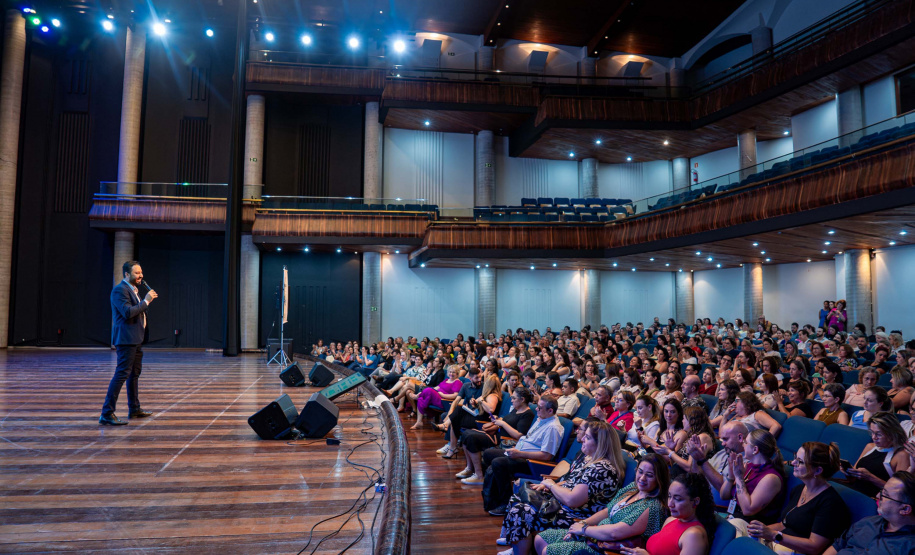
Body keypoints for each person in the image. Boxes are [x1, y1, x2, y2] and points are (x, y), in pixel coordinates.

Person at [498, 420, 625, 555]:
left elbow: (572, 500)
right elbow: (570, 481)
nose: (582, 439)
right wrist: (548, 485)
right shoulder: (589, 459)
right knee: (519, 498)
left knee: (521, 511)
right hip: (562, 506)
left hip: (577, 517)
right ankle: (516, 544)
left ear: (600, 444)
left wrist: (552, 486)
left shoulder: (601, 468)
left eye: (587, 438)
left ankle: (519, 551)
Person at [533, 454, 669, 555]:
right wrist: (583, 524)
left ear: (659, 479)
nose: (642, 478)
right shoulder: (633, 488)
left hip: (607, 549)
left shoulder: (653, 506)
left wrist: (584, 530)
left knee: (548, 550)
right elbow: (607, 511)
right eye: (640, 471)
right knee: (541, 538)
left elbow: (616, 533)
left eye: (650, 475)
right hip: (595, 536)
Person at [748, 441, 851, 554]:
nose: (793, 463)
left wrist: (773, 535)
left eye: (800, 461)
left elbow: (814, 547)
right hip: (779, 543)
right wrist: (758, 531)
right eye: (795, 458)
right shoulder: (799, 489)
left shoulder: (830, 503)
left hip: (794, 550)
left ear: (818, 470)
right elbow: (783, 525)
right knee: (739, 525)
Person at [482, 395, 564, 516]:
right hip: (520, 452)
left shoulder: (553, 428)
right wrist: (517, 449)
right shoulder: (542, 418)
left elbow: (546, 456)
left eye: (540, 408)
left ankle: (505, 503)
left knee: (498, 463)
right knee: (489, 454)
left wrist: (520, 453)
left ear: (550, 410)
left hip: (531, 462)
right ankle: (494, 497)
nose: (536, 409)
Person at [100, 260, 157, 426]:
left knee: (134, 374)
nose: (141, 276)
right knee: (122, 374)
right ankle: (107, 413)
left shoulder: (134, 290)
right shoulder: (120, 290)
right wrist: (146, 301)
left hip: (136, 339)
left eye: (141, 273)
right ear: (127, 274)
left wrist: (143, 301)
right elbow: (127, 313)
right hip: (126, 340)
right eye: (137, 273)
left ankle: (134, 408)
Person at [617, 473, 717, 555]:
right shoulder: (671, 519)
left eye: (678, 499)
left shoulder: (694, 535)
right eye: (669, 496)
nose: (670, 504)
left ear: (695, 502)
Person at [824, 471, 915, 555]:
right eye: (881, 491)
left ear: (905, 509)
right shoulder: (868, 522)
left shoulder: (910, 546)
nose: (877, 496)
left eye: (885, 495)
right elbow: (837, 546)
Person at [458, 387, 535, 485]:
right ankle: (470, 468)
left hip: (504, 441)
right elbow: (506, 421)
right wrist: (497, 419)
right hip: (497, 435)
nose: (511, 400)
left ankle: (479, 475)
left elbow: (519, 435)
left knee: (471, 437)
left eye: (514, 398)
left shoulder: (527, 414)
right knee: (466, 434)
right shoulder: (516, 409)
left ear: (522, 399)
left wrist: (502, 423)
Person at [720, 429, 787, 536]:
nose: (743, 444)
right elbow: (724, 495)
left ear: (755, 449)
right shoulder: (748, 466)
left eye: (746, 442)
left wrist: (738, 477)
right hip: (733, 518)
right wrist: (731, 476)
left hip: (751, 529)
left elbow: (748, 510)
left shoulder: (771, 478)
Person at [845, 412, 910, 498]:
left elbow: (898, 491)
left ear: (891, 434)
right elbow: (854, 479)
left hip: (873, 497)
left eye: (879, 434)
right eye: (872, 432)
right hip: (855, 490)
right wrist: (848, 472)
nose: (874, 437)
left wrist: (871, 477)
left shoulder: (901, 455)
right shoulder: (870, 447)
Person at [411, 363, 463, 430]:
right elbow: (436, 387)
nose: (451, 374)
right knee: (423, 396)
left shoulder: (457, 382)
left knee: (428, 391)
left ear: (457, 373)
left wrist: (443, 395)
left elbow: (455, 395)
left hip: (444, 401)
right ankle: (419, 422)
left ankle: (417, 396)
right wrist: (427, 391)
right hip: (438, 396)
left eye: (454, 372)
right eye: (450, 372)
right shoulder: (446, 380)